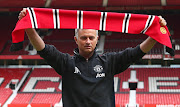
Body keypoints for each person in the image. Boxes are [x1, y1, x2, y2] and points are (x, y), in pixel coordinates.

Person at [19, 8, 167, 107]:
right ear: (76, 40)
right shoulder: (66, 62)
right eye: (83, 38)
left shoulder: (109, 61)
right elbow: (43, 49)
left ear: (97, 39)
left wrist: (155, 33)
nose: (88, 41)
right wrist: (28, 26)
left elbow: (137, 53)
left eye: (91, 37)